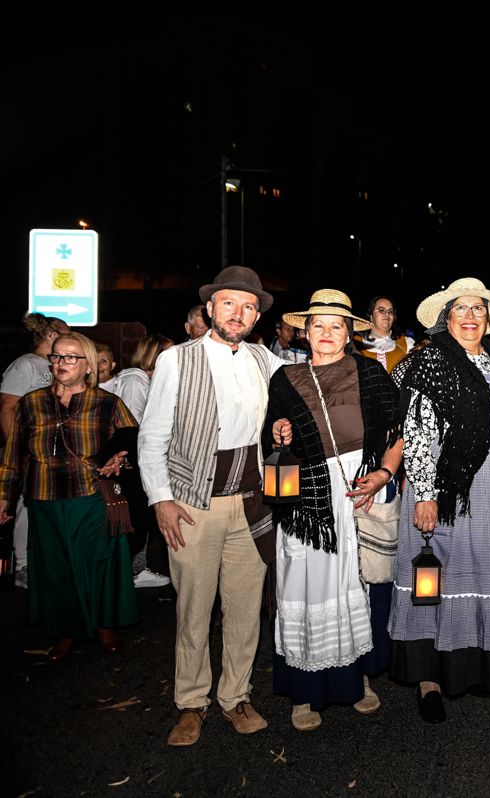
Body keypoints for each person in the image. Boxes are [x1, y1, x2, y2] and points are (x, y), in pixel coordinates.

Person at [139, 266, 285, 746]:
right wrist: (161, 500)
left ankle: (236, 696)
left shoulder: (266, 360)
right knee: (193, 610)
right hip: (194, 505)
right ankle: (191, 702)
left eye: (248, 307)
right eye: (229, 303)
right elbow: (153, 436)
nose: (238, 313)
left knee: (245, 610)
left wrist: (281, 429)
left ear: (257, 317)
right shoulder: (176, 360)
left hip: (252, 504)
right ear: (210, 308)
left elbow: (286, 412)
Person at [389, 277, 490, 723]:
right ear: (446, 317)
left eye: (478, 309)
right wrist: (425, 494)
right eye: (461, 309)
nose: (471, 317)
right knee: (440, 574)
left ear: (488, 319)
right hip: (448, 481)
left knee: (485, 571)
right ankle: (429, 680)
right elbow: (416, 431)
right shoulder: (431, 359)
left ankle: (477, 666)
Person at [264, 289, 403, 731]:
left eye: (336, 325)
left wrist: (382, 473)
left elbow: (398, 432)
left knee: (356, 585)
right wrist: (279, 431)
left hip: (357, 490)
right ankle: (304, 691)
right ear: (305, 333)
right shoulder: (285, 378)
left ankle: (358, 680)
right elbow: (270, 434)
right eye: (318, 325)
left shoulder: (371, 373)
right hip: (306, 500)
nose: (326, 332)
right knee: (302, 586)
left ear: (348, 334)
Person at [0, 332, 138, 661]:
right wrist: (4, 499)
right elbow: (13, 456)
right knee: (56, 566)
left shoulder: (108, 403)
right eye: (57, 356)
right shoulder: (31, 403)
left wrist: (120, 461)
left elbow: (134, 447)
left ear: (88, 365)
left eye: (71, 357)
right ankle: (68, 630)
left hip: (92, 495)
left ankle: (104, 624)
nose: (62, 362)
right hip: (43, 497)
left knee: (99, 561)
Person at [101, 334, 176, 589]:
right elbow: (130, 429)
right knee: (134, 514)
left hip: (139, 456)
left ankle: (134, 568)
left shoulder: (146, 379)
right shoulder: (135, 379)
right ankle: (131, 571)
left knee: (141, 516)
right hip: (132, 459)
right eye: (168, 351)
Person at [2, 313, 69, 588]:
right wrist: (17, 448)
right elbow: (7, 408)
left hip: (55, 449)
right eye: (66, 334)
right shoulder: (25, 365)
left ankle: (45, 562)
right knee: (27, 504)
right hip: (31, 447)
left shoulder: (54, 365)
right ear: (52, 336)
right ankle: (23, 566)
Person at [353, 296, 412, 373]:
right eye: (381, 310)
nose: (387, 314)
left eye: (391, 311)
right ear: (371, 317)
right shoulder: (354, 343)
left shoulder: (407, 343)